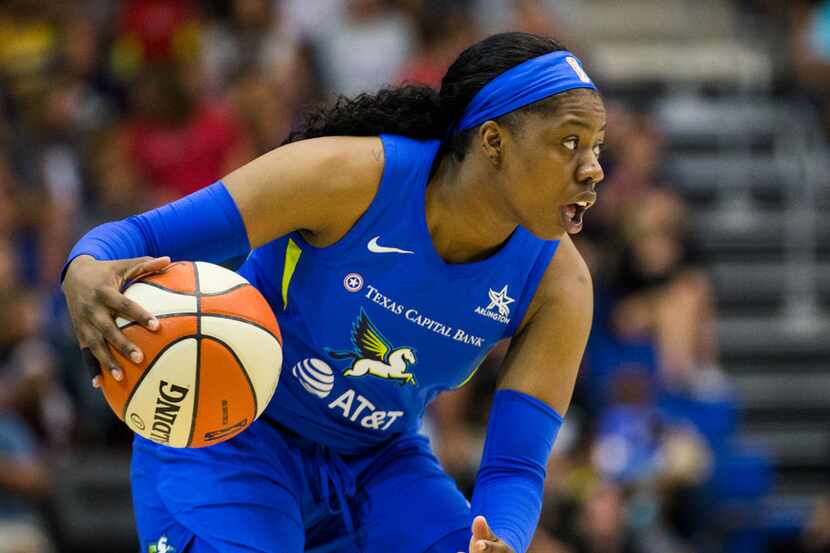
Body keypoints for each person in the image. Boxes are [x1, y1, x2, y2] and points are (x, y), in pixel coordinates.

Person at [60, 32, 606, 553]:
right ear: (494, 141)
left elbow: (515, 467)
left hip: (378, 459)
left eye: (597, 147)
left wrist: (499, 537)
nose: (593, 169)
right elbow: (142, 236)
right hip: (230, 431)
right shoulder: (350, 176)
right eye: (569, 142)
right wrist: (83, 268)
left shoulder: (562, 286)